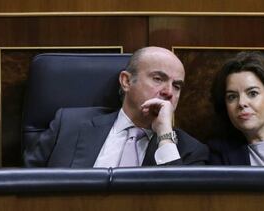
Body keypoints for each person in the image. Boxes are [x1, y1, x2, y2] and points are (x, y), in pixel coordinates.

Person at [23, 46, 209, 167]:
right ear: (126, 81)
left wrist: (165, 136)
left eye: (177, 86)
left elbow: (178, 202)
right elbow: (24, 187)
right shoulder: (69, 125)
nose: (169, 92)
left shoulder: (190, 152)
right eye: (158, 79)